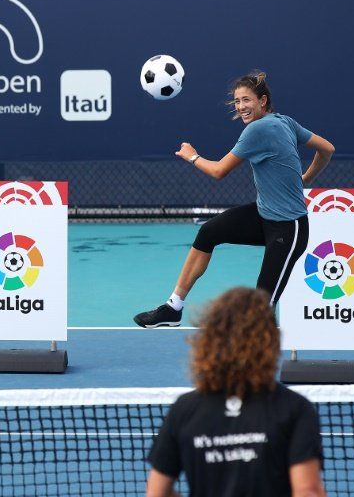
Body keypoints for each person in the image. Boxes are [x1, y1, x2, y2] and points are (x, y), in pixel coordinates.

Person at [134, 71, 334, 328]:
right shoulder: (285, 121)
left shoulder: (258, 130)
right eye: (237, 101)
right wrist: (305, 178)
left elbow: (219, 171)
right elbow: (327, 148)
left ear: (262, 101)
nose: (241, 107)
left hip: (289, 227)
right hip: (264, 215)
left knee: (261, 310)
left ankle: (258, 363)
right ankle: (173, 307)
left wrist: (192, 157)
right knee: (208, 233)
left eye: (246, 100)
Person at [146, 287, 325, 497]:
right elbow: (307, 491)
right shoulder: (295, 408)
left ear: (210, 340)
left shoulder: (184, 410)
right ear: (269, 341)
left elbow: (156, 493)